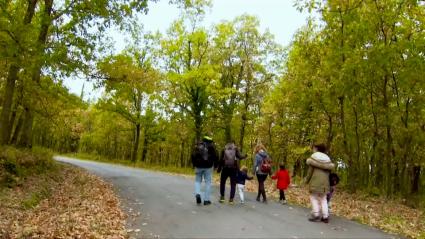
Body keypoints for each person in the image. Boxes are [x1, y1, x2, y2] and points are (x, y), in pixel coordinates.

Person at [304, 143, 335, 223]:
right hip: (325, 183)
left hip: (315, 181)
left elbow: (310, 172)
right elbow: (329, 173)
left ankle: (316, 215)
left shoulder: (314, 157)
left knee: (313, 197)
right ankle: (325, 217)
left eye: (314, 148)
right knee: (323, 199)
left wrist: (306, 181)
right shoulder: (327, 159)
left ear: (317, 148)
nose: (313, 149)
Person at [191, 135, 218, 206]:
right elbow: (215, 156)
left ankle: (197, 194)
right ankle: (206, 200)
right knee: (208, 183)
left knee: (197, 181)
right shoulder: (212, 147)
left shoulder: (198, 146)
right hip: (208, 167)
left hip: (198, 166)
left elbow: (193, 155)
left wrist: (194, 165)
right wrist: (216, 166)